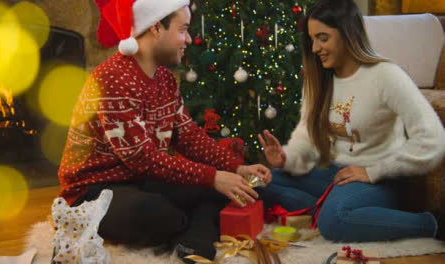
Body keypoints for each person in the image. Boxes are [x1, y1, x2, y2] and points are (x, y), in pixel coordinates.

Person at [57, 0, 271, 262]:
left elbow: (188, 135)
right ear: (156, 27)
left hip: (138, 182)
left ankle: (191, 244)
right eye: (183, 29)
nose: (189, 39)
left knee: (221, 189)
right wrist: (212, 176)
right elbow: (142, 160)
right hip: (92, 192)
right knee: (157, 212)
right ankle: (193, 232)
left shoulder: (164, 78)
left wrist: (235, 168)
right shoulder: (112, 79)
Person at [258, 0, 445, 242]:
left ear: (347, 35)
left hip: (381, 181)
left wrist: (373, 171)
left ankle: (431, 223)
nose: (315, 48)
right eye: (312, 39)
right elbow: (307, 136)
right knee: (260, 183)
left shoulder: (386, 76)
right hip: (337, 174)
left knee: (334, 220)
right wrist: (286, 158)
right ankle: (335, 210)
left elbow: (434, 139)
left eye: (323, 38)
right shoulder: (320, 79)